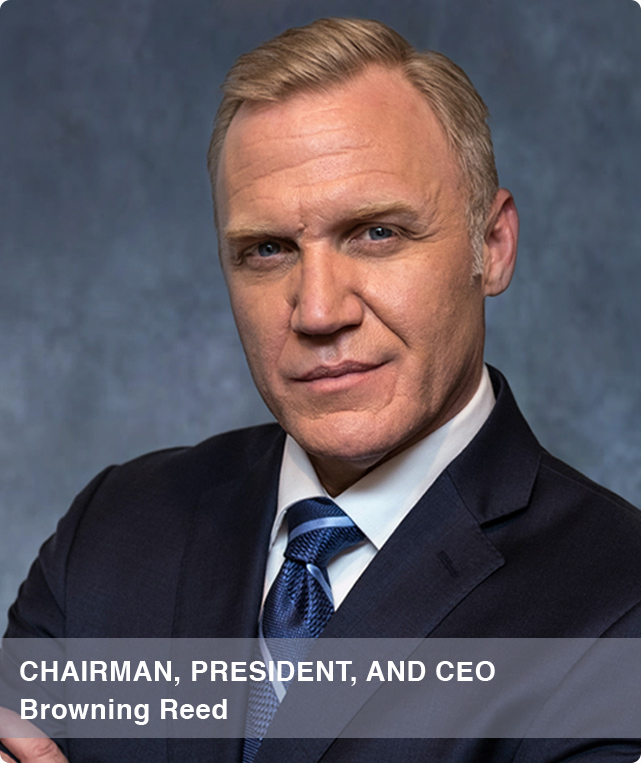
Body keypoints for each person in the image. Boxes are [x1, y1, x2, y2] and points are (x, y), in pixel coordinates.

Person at [2, 16, 641, 763]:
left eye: (376, 233)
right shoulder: (113, 530)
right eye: (267, 249)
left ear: (491, 246)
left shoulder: (618, 603)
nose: (317, 311)